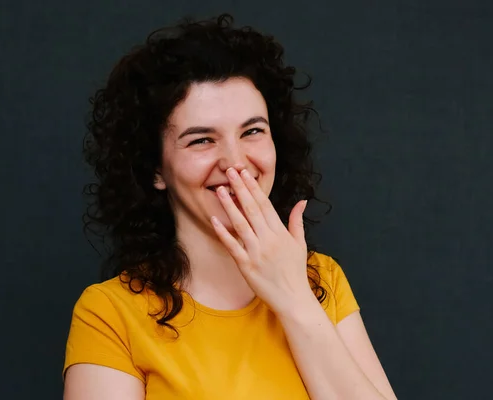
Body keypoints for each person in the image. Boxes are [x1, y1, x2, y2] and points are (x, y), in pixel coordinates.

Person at [63, 13, 397, 400]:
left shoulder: (322, 282)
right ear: (155, 168)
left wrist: (293, 297)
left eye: (252, 131)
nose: (234, 161)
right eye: (202, 140)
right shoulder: (109, 314)